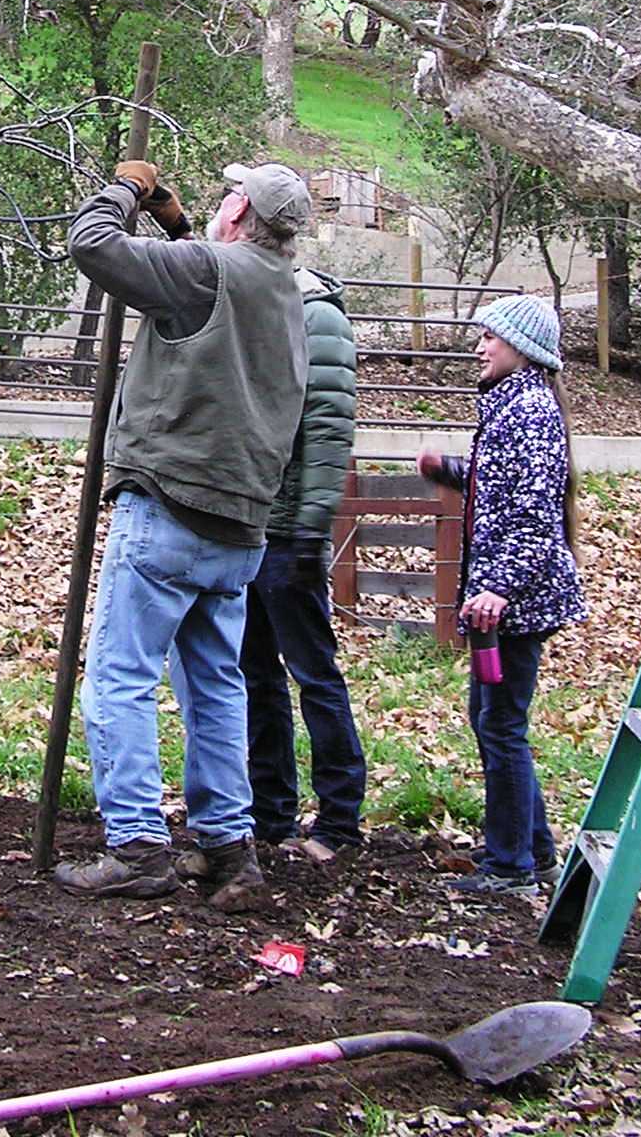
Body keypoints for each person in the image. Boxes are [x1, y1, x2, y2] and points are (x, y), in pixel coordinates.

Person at [54, 161, 310, 909]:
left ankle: (136, 848)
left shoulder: (208, 271)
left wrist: (125, 189)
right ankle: (231, 853)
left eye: (228, 194)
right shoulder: (285, 288)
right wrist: (173, 224)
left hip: (168, 507)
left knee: (120, 681)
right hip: (239, 527)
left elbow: (94, 246)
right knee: (215, 689)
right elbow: (202, 291)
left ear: (238, 210)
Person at [417, 294, 589, 896]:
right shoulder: (512, 405)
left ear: (521, 346)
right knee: (492, 719)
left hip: (516, 602)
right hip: (505, 599)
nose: (480, 346)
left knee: (501, 725)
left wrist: (496, 588)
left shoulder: (531, 410)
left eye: (490, 336)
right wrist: (451, 469)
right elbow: (502, 479)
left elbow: (536, 514)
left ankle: (511, 865)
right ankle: (535, 852)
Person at [239, 263, 365, 859]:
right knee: (256, 677)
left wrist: (311, 533)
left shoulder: (318, 319)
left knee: (314, 674)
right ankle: (272, 817)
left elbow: (329, 432)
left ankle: (339, 821)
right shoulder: (271, 310)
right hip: (250, 528)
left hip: (288, 533)